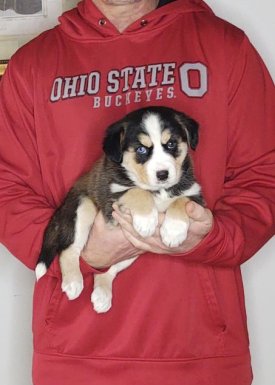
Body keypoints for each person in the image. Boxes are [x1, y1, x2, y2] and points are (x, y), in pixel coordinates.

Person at [0, 0, 274, 384]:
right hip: (75, 359)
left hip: (200, 359)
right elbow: (6, 188)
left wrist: (214, 238)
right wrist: (78, 249)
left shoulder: (226, 48)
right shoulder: (33, 65)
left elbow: (264, 175)